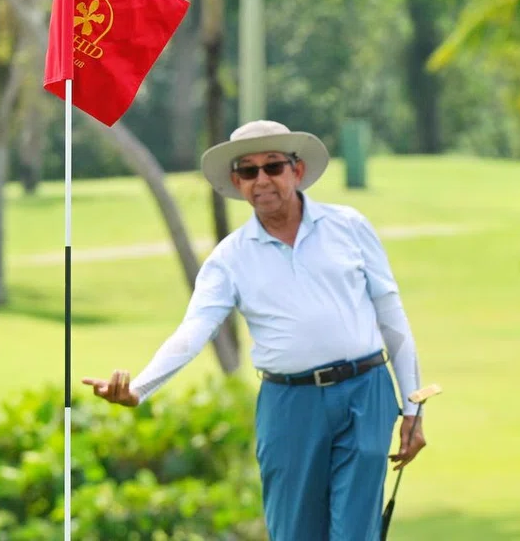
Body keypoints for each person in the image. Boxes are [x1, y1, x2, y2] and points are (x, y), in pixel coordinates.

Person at [82, 119, 426, 540]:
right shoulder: (229, 258)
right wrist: (141, 387)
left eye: (273, 167)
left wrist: (413, 408)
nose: (262, 179)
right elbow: (195, 330)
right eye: (249, 171)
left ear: (296, 171)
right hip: (289, 404)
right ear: (237, 181)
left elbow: (392, 317)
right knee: (294, 531)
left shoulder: (350, 226)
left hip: (365, 393)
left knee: (355, 532)